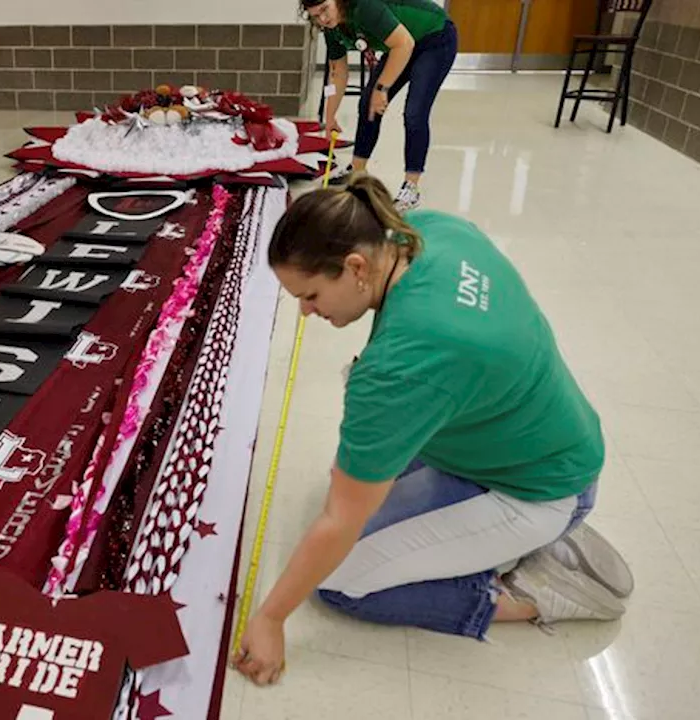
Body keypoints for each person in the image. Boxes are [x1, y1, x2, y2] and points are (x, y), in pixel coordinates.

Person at [231, 174, 633, 687]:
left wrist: (269, 618)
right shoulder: (422, 230)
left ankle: (531, 593)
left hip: (535, 488)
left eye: (310, 295)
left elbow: (339, 518)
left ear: (355, 267)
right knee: (355, 477)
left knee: (340, 580)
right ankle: (519, 537)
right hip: (551, 439)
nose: (307, 312)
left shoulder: (403, 365)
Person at [305, 0, 459, 211]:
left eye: (324, 10)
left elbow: (404, 44)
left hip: (434, 36)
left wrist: (382, 89)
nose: (322, 19)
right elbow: (337, 73)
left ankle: (411, 188)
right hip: (404, 42)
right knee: (368, 103)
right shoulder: (331, 28)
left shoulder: (364, 6)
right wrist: (330, 117)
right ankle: (358, 172)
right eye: (315, 16)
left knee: (414, 112)